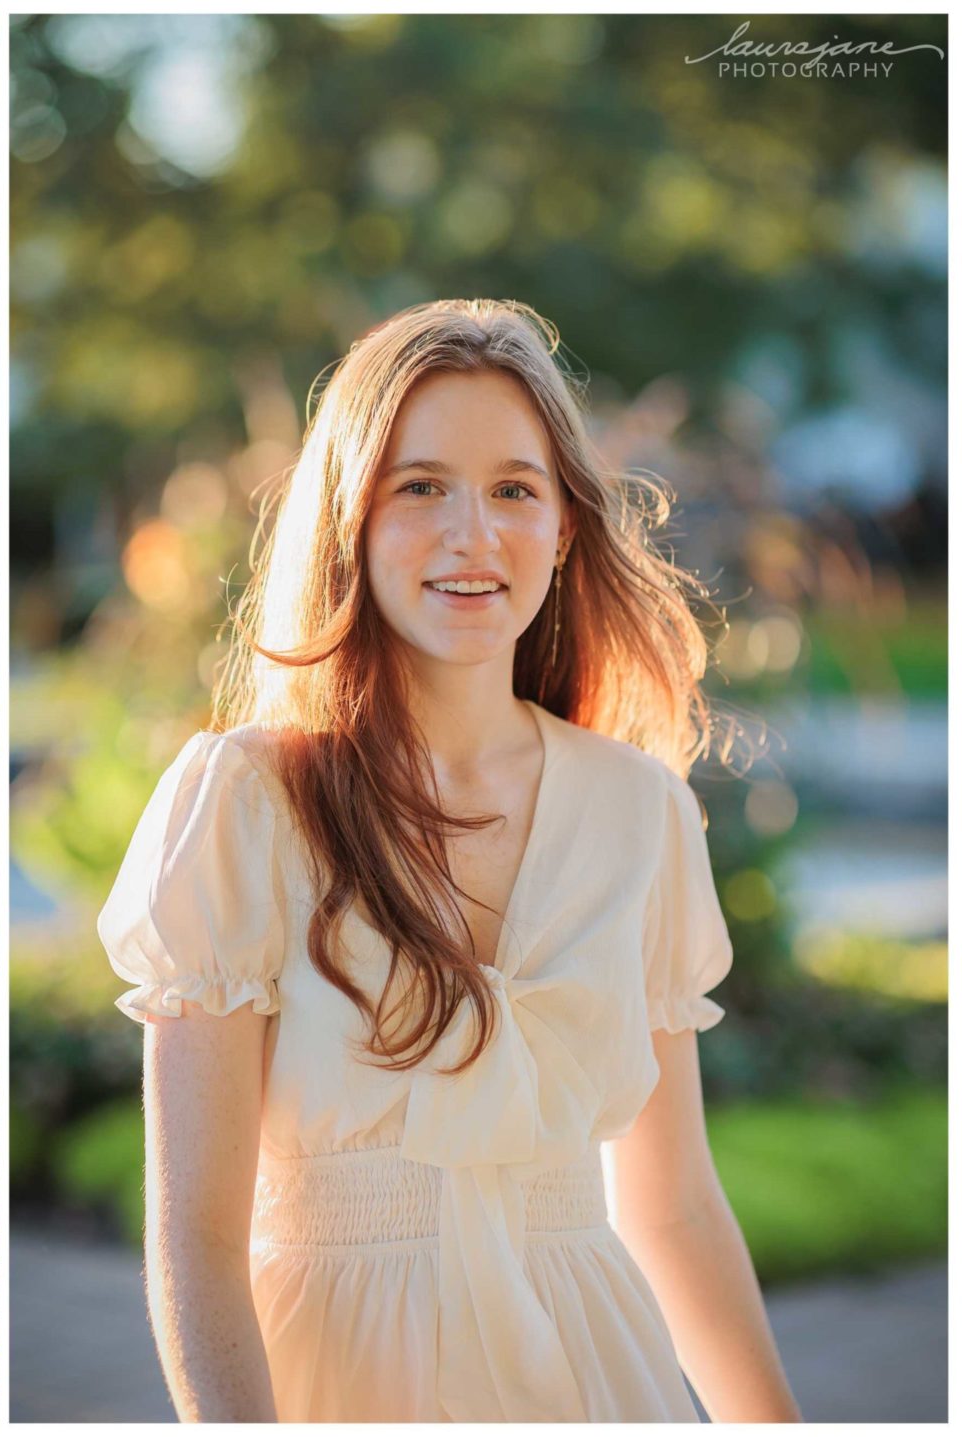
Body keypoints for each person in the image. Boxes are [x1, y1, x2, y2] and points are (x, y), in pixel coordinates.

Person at [98, 299, 802, 1421]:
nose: (472, 535)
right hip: (335, 1380)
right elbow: (196, 1238)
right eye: (419, 486)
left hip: (594, 1378)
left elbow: (671, 1212)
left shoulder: (642, 813)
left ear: (565, 527)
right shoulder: (246, 800)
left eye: (514, 489)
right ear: (350, 520)